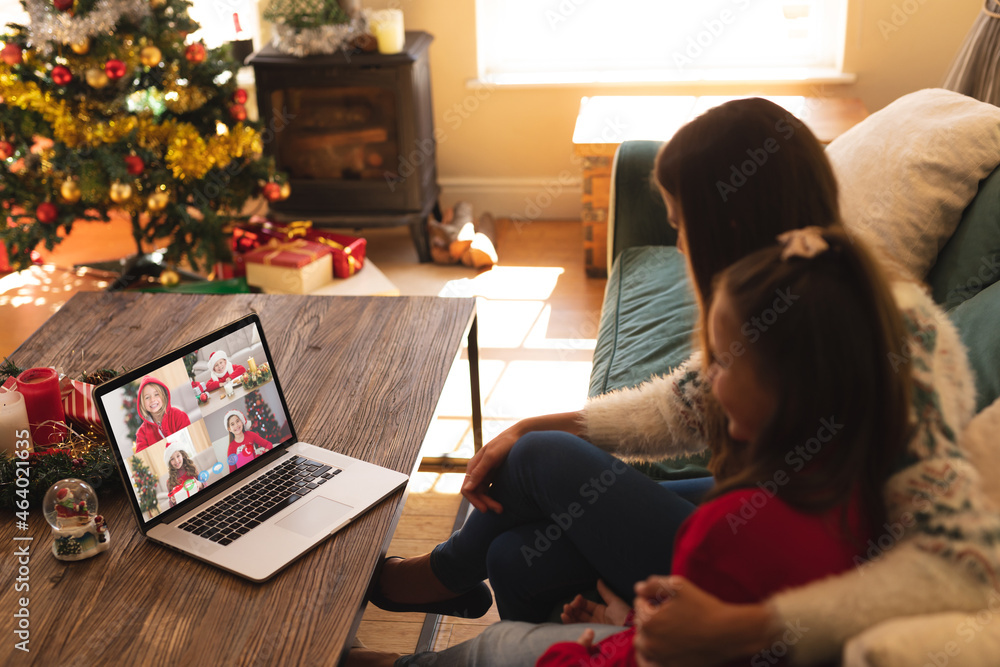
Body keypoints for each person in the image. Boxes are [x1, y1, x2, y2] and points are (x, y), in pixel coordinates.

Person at [365, 97, 1000, 665]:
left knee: (537, 460)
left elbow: (934, 544)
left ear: (727, 226)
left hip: (795, 571)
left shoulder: (892, 336)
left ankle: (440, 577)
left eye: (677, 223)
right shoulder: (797, 294)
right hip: (769, 517)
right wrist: (532, 421)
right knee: (515, 554)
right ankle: (481, 590)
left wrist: (747, 625)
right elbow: (683, 408)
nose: (676, 239)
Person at [536, 226, 908, 667]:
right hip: (631, 631)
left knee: (493, 637)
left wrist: (567, 654)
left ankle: (449, 575)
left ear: (783, 383)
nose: (708, 381)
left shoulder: (724, 529)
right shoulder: (862, 496)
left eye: (723, 363)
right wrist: (632, 623)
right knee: (513, 550)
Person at [133, 377, 191, 453]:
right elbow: (144, 452)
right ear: (142, 403)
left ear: (163, 396)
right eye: (147, 397)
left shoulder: (178, 415)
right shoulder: (142, 433)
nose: (152, 400)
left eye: (156, 394)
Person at [164, 442, 204, 507]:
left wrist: (200, 484)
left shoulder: (192, 469)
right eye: (172, 459)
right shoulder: (169, 482)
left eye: (178, 456)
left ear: (182, 455)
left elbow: (205, 484)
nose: (176, 461)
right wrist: (173, 501)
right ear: (169, 462)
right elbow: (171, 505)